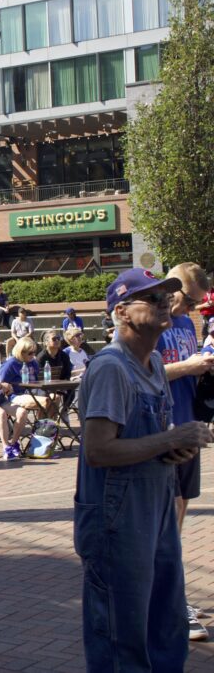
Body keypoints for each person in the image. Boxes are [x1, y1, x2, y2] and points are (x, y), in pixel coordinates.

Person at [75, 268, 214, 670]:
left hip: (155, 509)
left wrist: (172, 447)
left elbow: (148, 438)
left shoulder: (152, 363)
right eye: (152, 298)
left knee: (166, 625)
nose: (164, 304)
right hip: (116, 518)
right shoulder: (111, 367)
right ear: (121, 312)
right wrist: (169, 440)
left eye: (166, 297)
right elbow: (99, 451)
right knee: (122, 636)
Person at [156, 263, 214, 640]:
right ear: (172, 287)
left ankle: (173, 598)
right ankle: (170, 604)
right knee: (165, 521)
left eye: (196, 305)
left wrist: (203, 370)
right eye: (189, 301)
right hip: (164, 431)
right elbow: (146, 373)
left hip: (188, 424)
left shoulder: (185, 324)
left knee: (177, 519)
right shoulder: (154, 322)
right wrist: (189, 366)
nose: (191, 309)